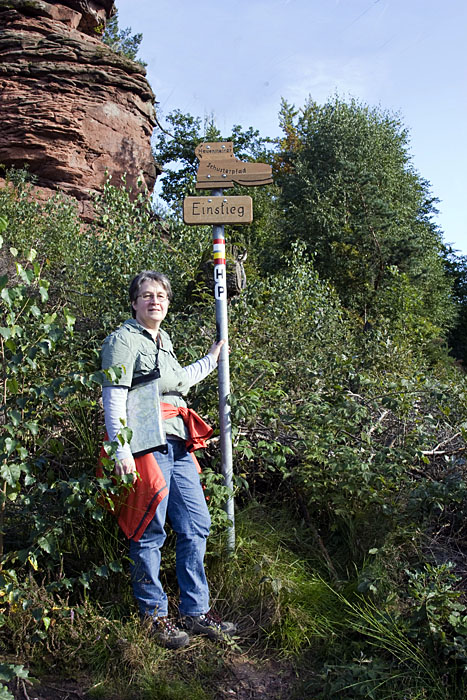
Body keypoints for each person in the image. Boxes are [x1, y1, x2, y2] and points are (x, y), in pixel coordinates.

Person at [100, 270, 236, 649]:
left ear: (167, 303)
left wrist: (212, 358)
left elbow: (181, 382)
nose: (154, 300)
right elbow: (113, 397)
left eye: (160, 295)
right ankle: (154, 617)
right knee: (149, 529)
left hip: (177, 446)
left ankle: (195, 611)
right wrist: (121, 450)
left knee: (196, 524)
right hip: (144, 445)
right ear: (134, 302)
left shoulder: (164, 341)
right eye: (146, 295)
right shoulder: (123, 341)